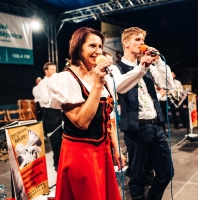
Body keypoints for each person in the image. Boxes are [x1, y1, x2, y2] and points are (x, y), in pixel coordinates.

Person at [47, 27, 126, 200]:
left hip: (103, 150)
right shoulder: (65, 79)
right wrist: (97, 84)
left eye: (100, 46)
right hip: (81, 154)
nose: (97, 51)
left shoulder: (101, 76)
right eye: (92, 46)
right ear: (78, 48)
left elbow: (108, 118)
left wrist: (116, 147)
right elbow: (81, 122)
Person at [110, 27, 174, 200]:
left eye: (143, 40)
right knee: (138, 177)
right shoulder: (116, 69)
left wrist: (159, 62)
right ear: (125, 42)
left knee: (166, 172)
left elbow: (168, 85)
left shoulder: (147, 66)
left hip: (156, 126)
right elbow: (120, 87)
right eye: (137, 40)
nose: (142, 44)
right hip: (137, 128)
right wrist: (141, 69)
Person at [37, 62, 63, 171]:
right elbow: (45, 100)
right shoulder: (42, 84)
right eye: (52, 69)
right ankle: (57, 164)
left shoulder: (56, 81)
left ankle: (62, 161)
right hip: (50, 112)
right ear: (46, 71)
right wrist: (57, 95)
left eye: (55, 69)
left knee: (63, 139)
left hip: (59, 111)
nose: (54, 72)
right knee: (55, 140)